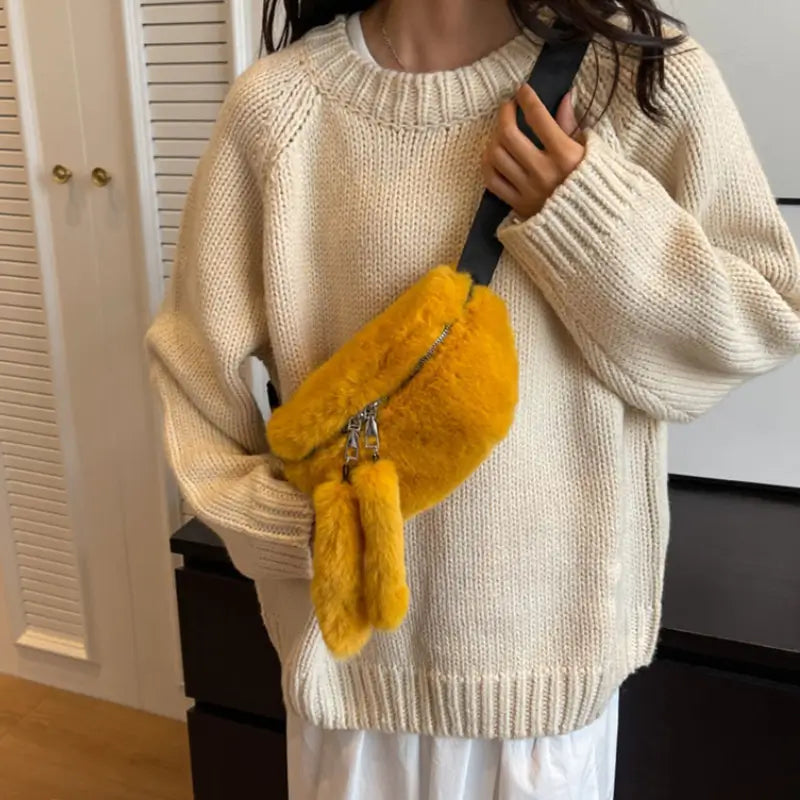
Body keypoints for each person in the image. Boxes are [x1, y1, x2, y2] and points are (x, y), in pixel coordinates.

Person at [144, 1, 800, 797]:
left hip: (544, 695)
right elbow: (192, 371)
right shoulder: (278, 110)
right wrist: (300, 531)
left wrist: (583, 210)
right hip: (355, 691)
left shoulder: (636, 75)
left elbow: (763, 320)